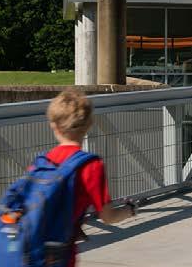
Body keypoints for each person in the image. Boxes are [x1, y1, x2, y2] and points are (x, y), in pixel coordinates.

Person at [44, 89, 136, 266]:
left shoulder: (42, 161)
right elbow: (108, 217)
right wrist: (129, 210)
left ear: (53, 126)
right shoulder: (91, 166)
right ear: (89, 124)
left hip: (30, 253)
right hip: (59, 256)